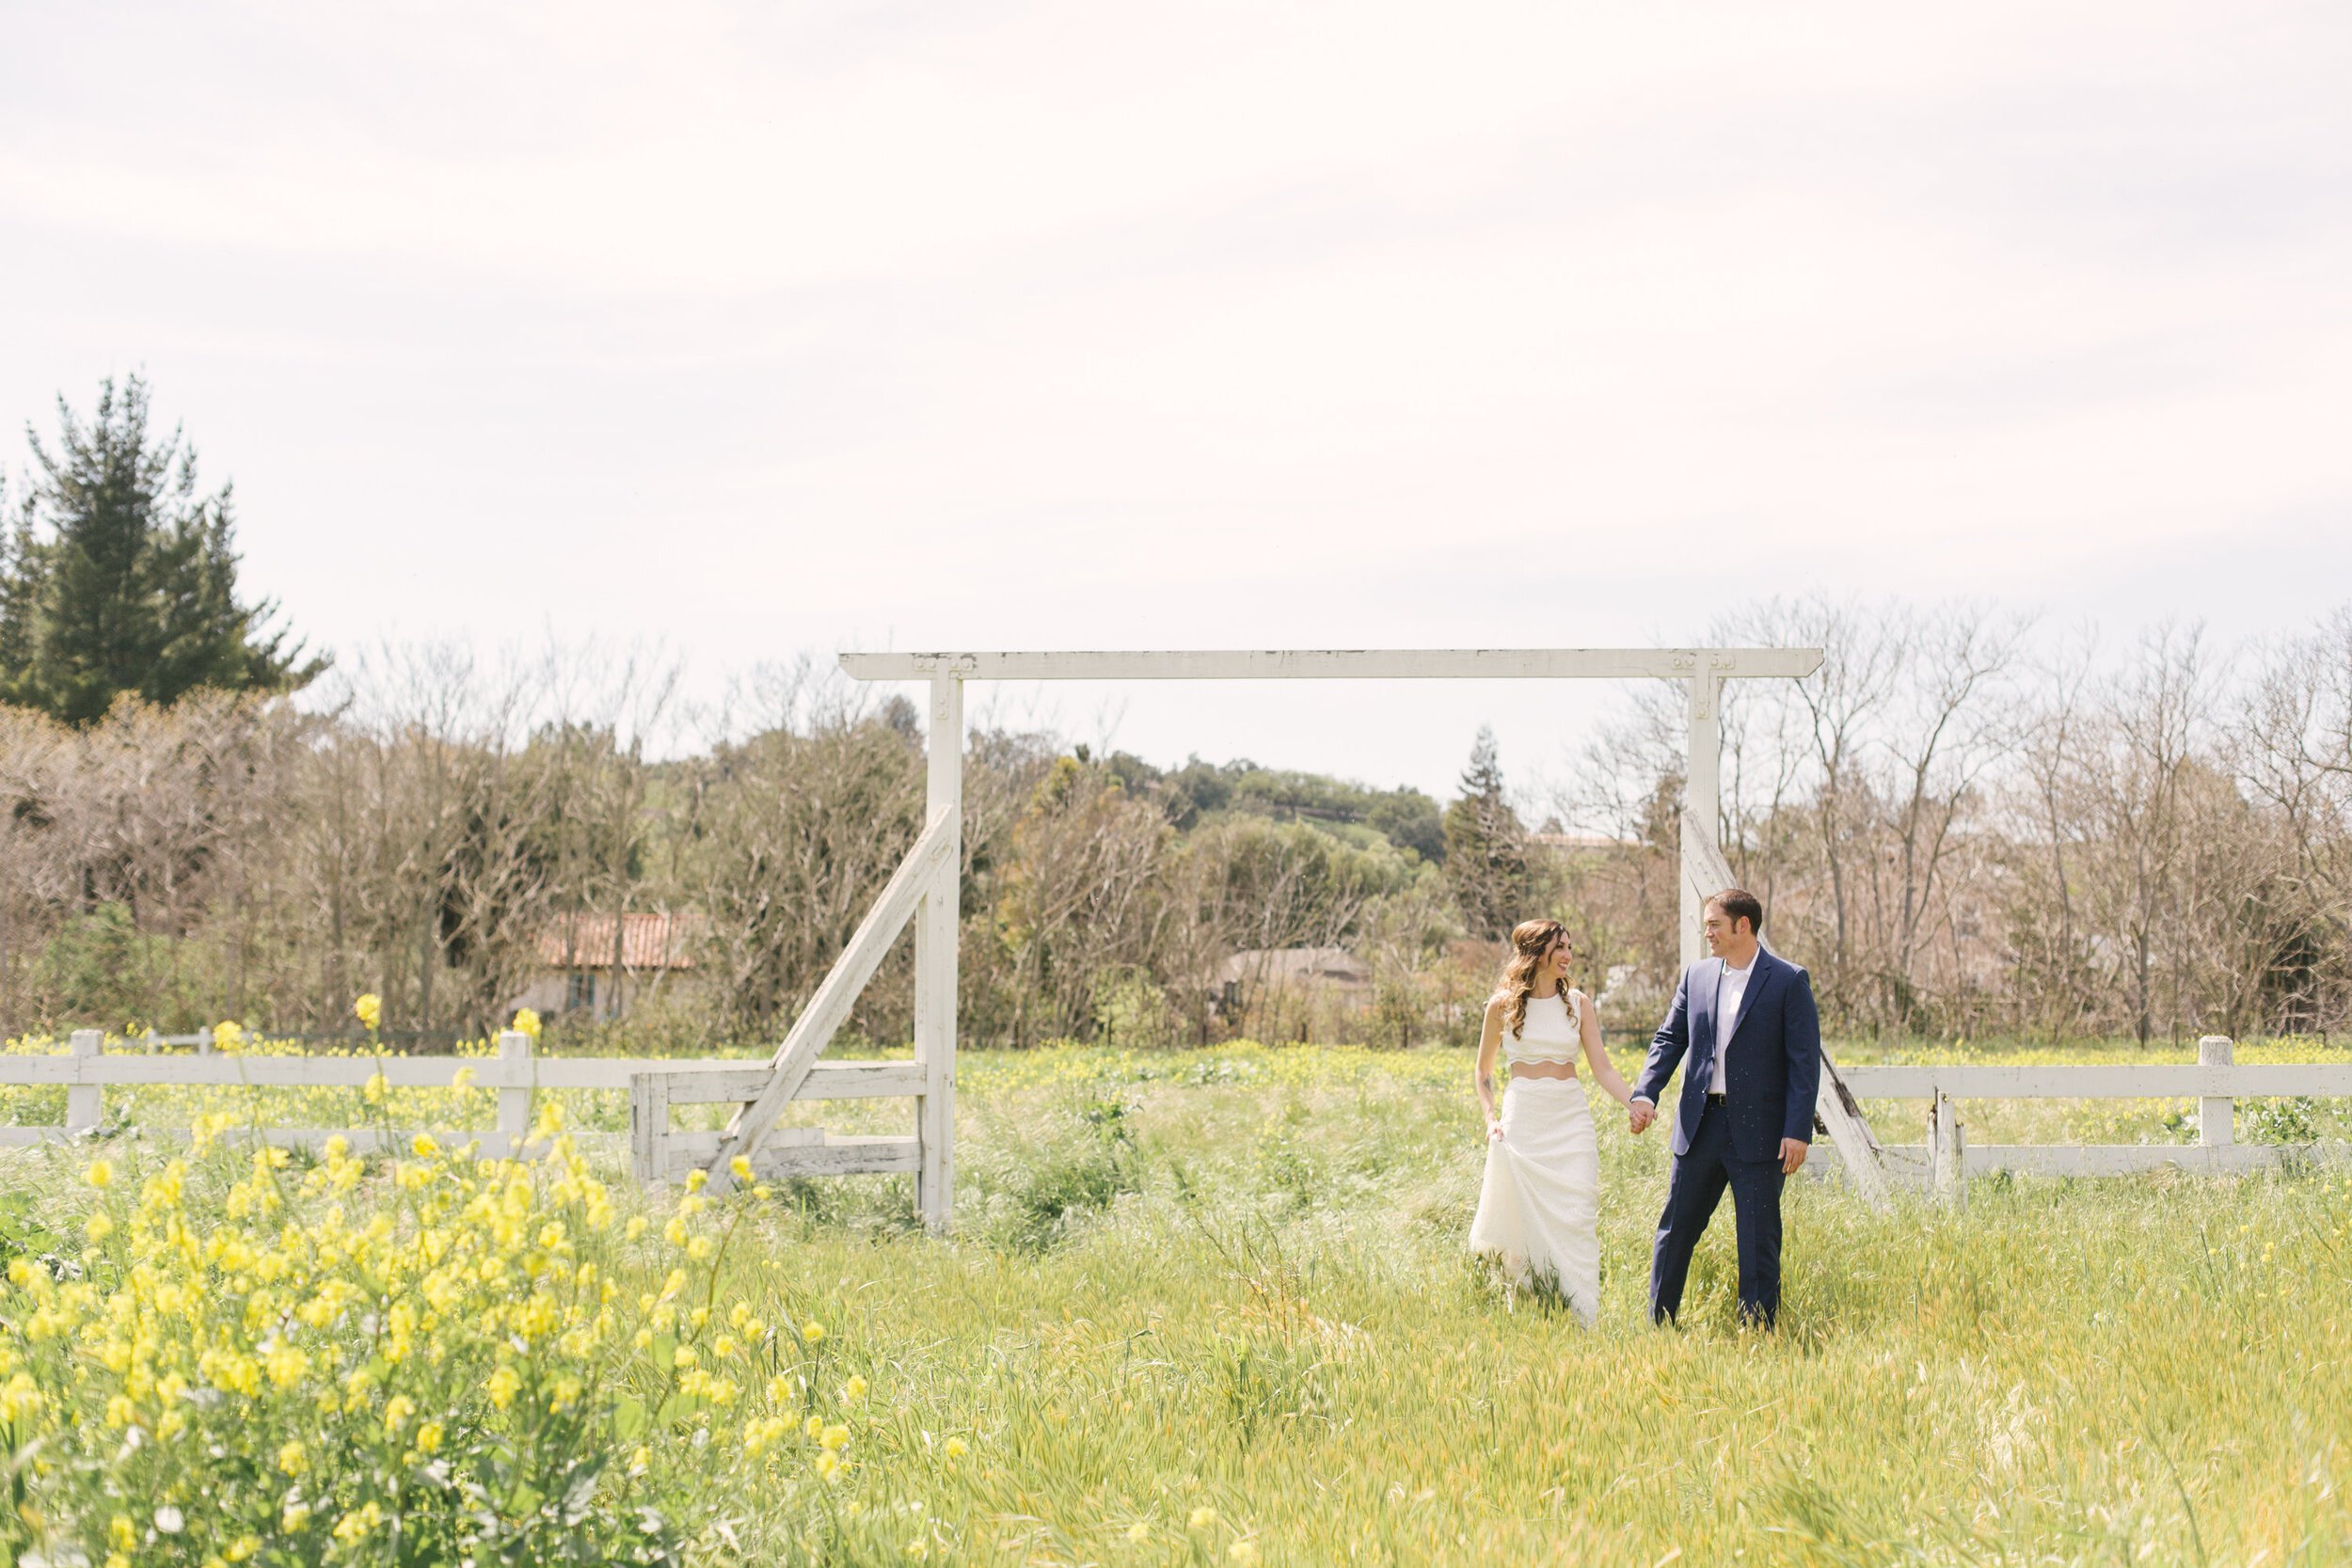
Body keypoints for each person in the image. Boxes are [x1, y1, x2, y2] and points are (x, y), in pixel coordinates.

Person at [1627, 887, 1820, 1329]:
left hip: (1762, 1134)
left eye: (1714, 924)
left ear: (1743, 925)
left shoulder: (1788, 981)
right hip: (1700, 1126)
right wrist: (1645, 1093)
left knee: (1758, 1240)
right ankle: (1659, 1324)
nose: (1707, 932)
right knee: (1676, 1231)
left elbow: (1803, 1063)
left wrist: (1797, 1130)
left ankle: (1757, 1333)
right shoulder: (1696, 977)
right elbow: (1669, 1039)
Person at [1468, 918, 1641, 1325]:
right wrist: (1490, 1118)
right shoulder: (1502, 1005)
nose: (1568, 955)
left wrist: (1635, 1103)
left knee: (1577, 1214)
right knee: (1527, 1219)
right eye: (1559, 947)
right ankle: (1535, 1307)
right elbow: (1483, 1073)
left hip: (1571, 1120)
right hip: (1524, 1120)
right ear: (1535, 952)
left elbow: (1603, 1069)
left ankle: (1584, 1315)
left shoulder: (1578, 1003)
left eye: (1569, 946)